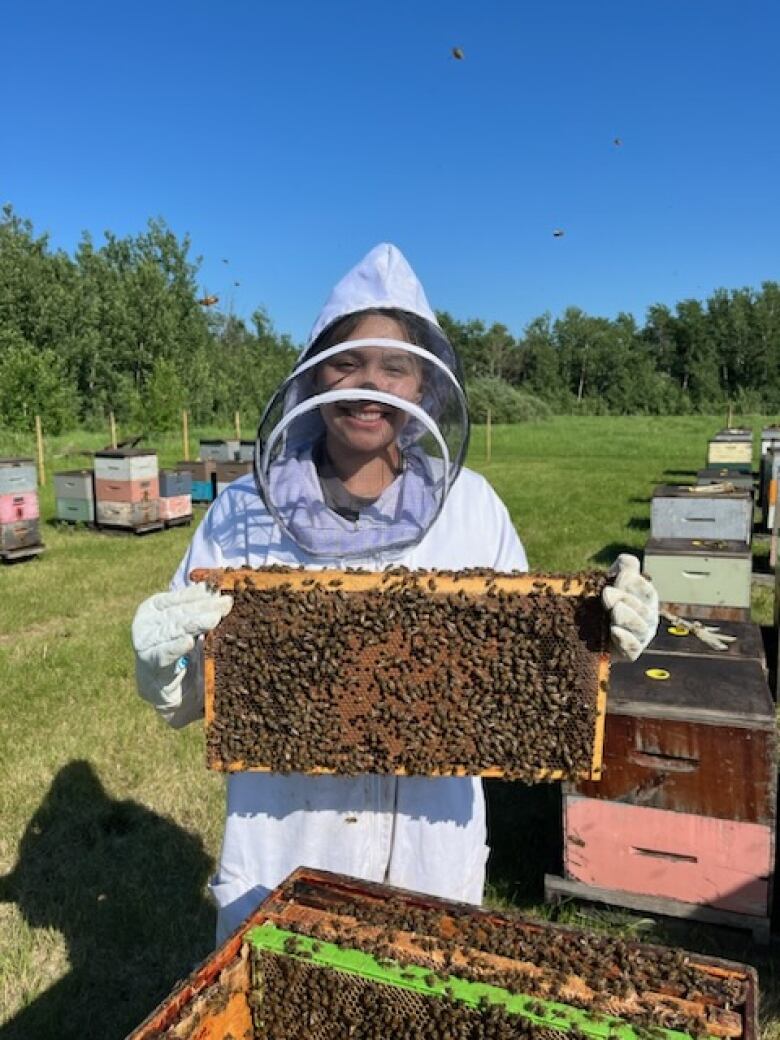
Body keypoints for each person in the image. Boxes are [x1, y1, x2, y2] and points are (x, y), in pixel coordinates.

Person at [132, 243, 658, 944]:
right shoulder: (242, 513)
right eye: (347, 361)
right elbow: (197, 697)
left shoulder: (473, 508)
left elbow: (522, 678)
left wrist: (596, 635)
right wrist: (163, 668)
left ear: (423, 386)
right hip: (285, 847)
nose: (367, 386)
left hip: (430, 854)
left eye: (394, 367)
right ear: (315, 373)